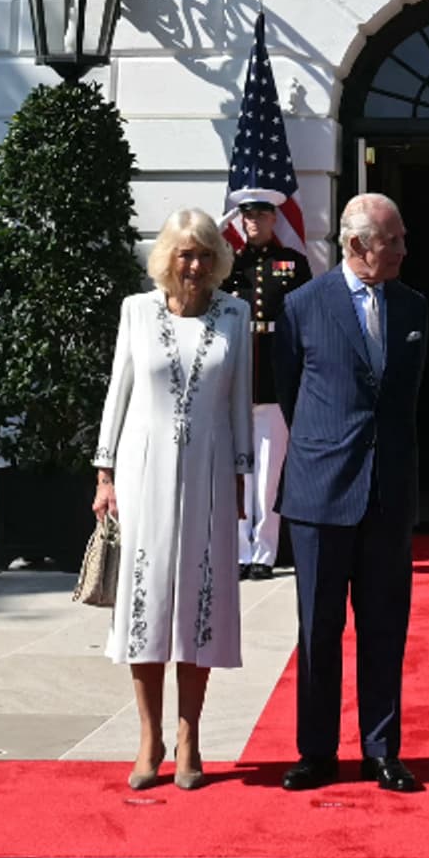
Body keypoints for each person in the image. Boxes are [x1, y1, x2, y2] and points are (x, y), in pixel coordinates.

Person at [94, 209, 256, 793]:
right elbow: (120, 389)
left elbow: (240, 400)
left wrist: (242, 475)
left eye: (207, 254)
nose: (196, 265)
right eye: (186, 254)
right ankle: (148, 737)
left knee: (198, 604)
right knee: (147, 601)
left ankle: (190, 735)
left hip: (210, 472)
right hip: (142, 472)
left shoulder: (236, 314)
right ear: (167, 257)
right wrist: (104, 472)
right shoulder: (137, 311)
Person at [278, 194, 429, 794]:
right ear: (356, 246)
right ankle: (315, 752)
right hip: (320, 492)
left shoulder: (414, 305)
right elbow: (291, 394)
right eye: (391, 240)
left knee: (385, 627)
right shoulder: (302, 306)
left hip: (389, 492)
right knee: (317, 630)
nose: (401, 250)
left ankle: (381, 750)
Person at [224, 191, 314, 581]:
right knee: (239, 475)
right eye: (248, 217)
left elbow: (307, 319)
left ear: (274, 219)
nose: (254, 223)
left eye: (261, 216)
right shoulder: (228, 264)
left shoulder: (292, 264)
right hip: (237, 380)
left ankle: (264, 551)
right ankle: (240, 550)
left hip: (275, 381)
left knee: (269, 476)